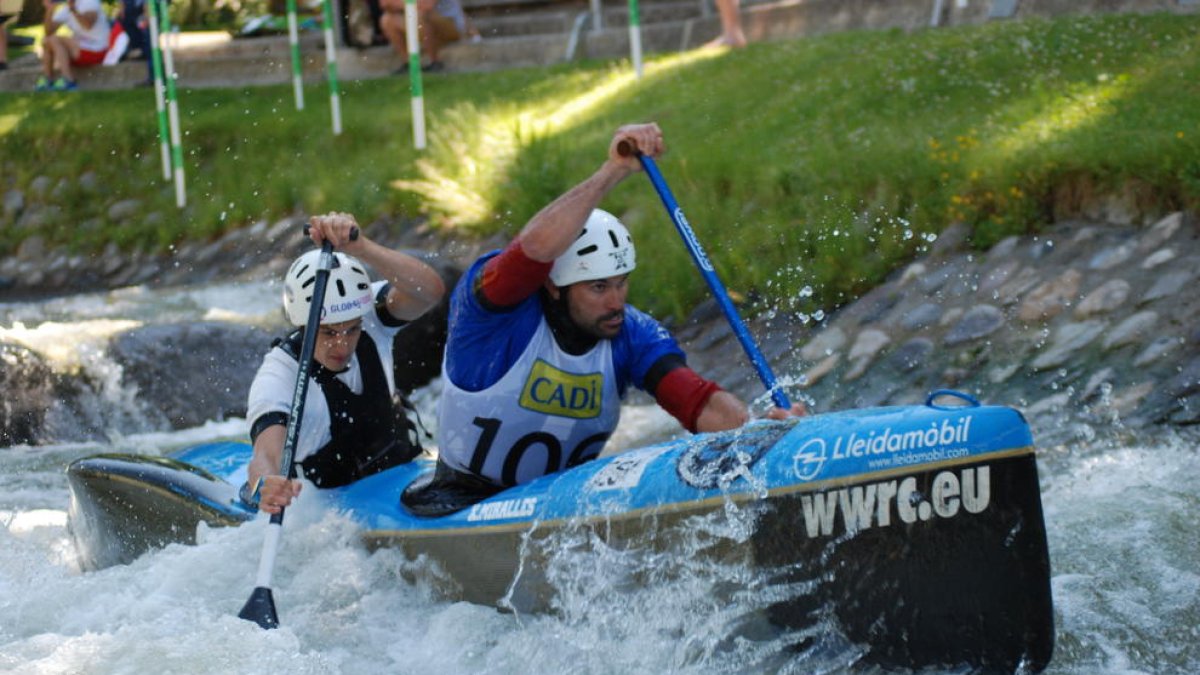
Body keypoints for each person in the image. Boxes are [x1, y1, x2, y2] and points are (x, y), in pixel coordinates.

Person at [403, 123, 804, 514]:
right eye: (598, 288)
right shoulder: (495, 314)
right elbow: (533, 250)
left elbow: (698, 403)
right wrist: (614, 171)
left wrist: (761, 432)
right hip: (460, 498)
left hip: (558, 507)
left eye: (621, 283)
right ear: (555, 286)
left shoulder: (632, 333)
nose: (616, 302)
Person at [243, 212, 447, 514]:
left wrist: (361, 247)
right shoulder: (279, 375)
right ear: (304, 325)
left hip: (400, 479)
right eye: (328, 333)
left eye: (351, 329)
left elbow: (430, 292)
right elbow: (265, 456)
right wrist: (266, 485)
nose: (342, 344)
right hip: (335, 512)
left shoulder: (368, 314)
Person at [36, 0, 123, 91]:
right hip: (81, 50)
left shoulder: (91, 2)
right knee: (47, 41)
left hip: (98, 50)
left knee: (54, 40)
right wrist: (49, 10)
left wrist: (73, 9)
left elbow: (88, 25)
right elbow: (48, 32)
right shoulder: (66, 8)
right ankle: (48, 80)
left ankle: (69, 81)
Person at [378, 0, 466, 72]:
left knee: (419, 17)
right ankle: (410, 64)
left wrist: (398, 3)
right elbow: (385, 4)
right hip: (420, 20)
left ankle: (435, 61)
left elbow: (426, 6)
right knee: (387, 20)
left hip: (451, 25)